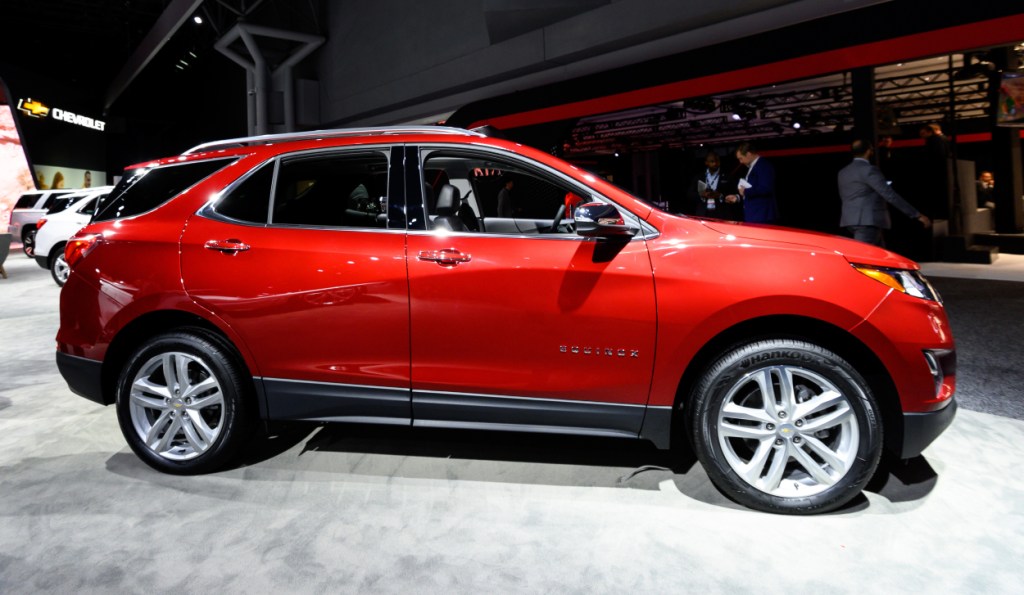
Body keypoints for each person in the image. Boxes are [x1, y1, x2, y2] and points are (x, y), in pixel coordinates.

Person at [838, 139, 931, 247]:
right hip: (868, 221)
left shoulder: (843, 172)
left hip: (850, 220)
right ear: (869, 151)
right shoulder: (869, 170)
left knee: (880, 257)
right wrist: (916, 215)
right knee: (866, 258)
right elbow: (889, 195)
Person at [725, 142, 778, 224]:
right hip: (754, 215)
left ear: (748, 154)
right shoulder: (753, 167)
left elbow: (766, 188)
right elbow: (753, 189)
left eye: (741, 158)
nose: (740, 162)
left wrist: (745, 191)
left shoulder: (763, 165)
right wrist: (738, 197)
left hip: (762, 216)